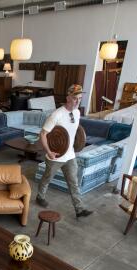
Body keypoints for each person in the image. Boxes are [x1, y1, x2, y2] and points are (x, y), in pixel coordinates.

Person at [36, 84, 93, 218]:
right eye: (75, 98)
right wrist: (49, 151)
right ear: (68, 98)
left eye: (79, 98)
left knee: (74, 183)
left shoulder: (77, 112)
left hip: (70, 156)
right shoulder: (56, 114)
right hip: (55, 156)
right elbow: (43, 134)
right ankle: (40, 196)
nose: (78, 101)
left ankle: (79, 209)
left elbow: (75, 132)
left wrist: (77, 145)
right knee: (47, 178)